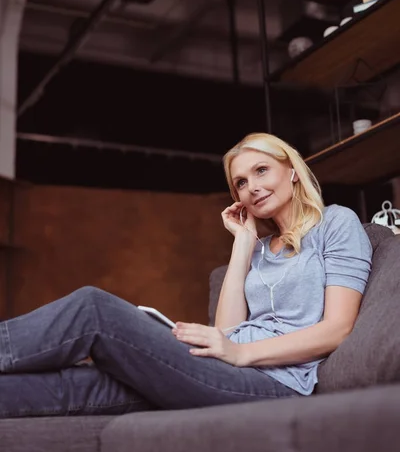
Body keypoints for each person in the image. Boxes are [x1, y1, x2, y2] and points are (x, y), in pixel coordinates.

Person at [0, 132, 372, 418]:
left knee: (93, 309)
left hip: (275, 383)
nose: (252, 186)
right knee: (85, 385)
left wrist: (242, 354)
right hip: (226, 369)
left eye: (261, 171)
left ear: (291, 171)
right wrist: (243, 243)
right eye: (241, 182)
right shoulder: (258, 249)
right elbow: (226, 331)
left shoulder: (335, 223)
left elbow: (338, 328)